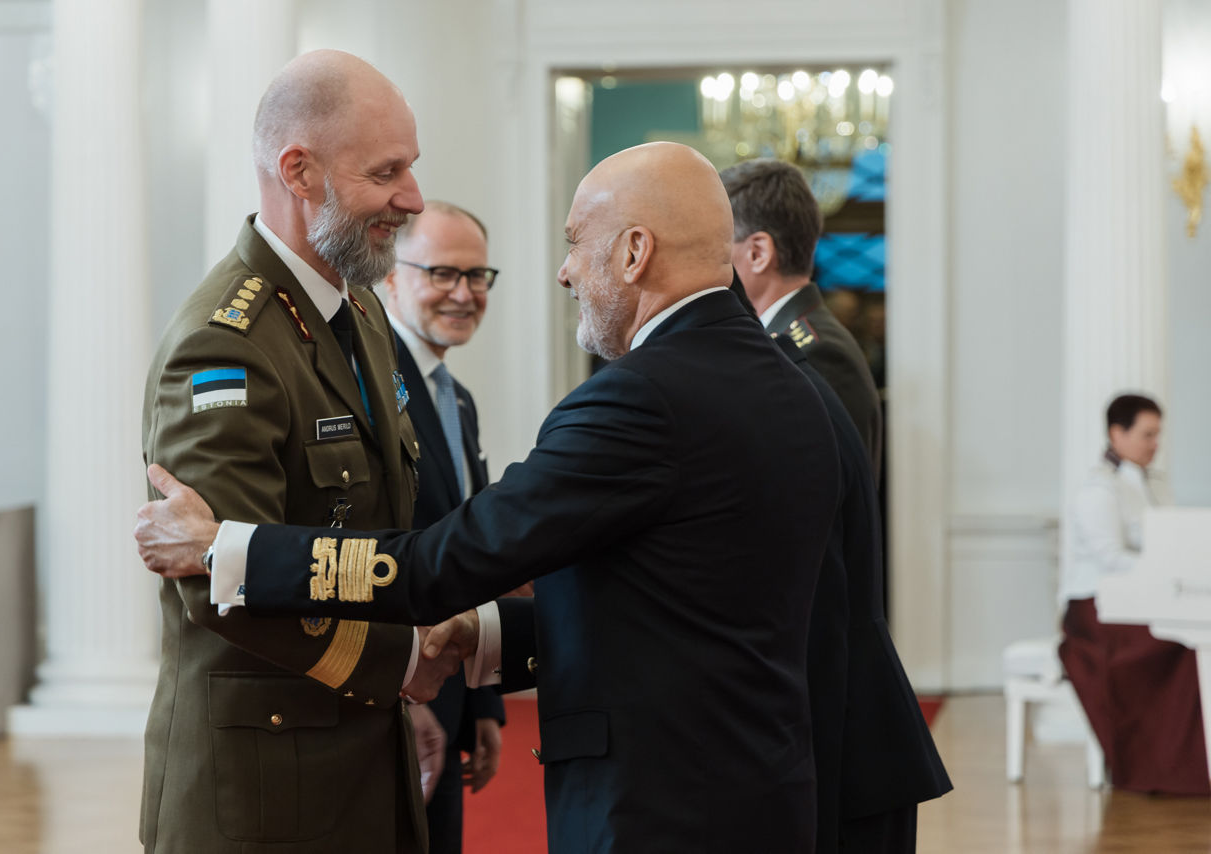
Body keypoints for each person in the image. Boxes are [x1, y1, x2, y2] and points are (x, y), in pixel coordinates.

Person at [136, 141, 842, 853]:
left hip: (660, 809)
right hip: (761, 791)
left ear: (634, 252)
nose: (566, 272)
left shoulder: (641, 399)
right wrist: (483, 640)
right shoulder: (792, 386)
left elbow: (439, 564)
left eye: (575, 244)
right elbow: (674, 611)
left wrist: (227, 548)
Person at [138, 50, 461, 854]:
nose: (412, 199)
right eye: (386, 172)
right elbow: (221, 581)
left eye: (411, 169)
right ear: (299, 171)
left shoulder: (360, 311)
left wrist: (402, 696)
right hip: (259, 791)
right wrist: (399, 661)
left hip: (358, 749)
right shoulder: (227, 345)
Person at [728, 275, 951, 852]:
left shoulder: (810, 351)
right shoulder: (783, 348)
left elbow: (820, 541)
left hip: (837, 699)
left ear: (757, 252)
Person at [383, 201, 506, 852]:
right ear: (390, 276)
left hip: (453, 700)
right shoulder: (367, 387)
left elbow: (472, 559)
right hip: (397, 702)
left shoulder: (456, 398)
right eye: (442, 273)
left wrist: (485, 703)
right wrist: (408, 694)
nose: (464, 293)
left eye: (477, 275)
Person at [1059, 393, 1210, 795]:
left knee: (1196, 638)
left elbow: (1172, 541)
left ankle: (1190, 762)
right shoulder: (1098, 489)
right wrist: (1164, 573)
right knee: (1180, 645)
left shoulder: (1154, 483)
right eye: (1147, 434)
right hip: (1097, 611)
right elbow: (1110, 558)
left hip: (1144, 600)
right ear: (1117, 433)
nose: (1154, 443)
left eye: (1157, 434)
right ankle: (1167, 768)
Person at [720, 158, 883, 475]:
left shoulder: (817, 352)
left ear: (758, 253)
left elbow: (823, 495)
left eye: (721, 248)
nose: (714, 264)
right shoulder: (785, 338)